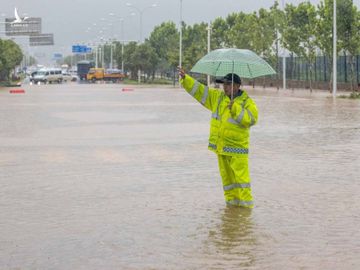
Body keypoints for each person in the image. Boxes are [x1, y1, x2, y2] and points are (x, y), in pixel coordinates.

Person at [178, 68, 258, 208]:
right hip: (222, 148)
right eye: (224, 84)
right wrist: (186, 79)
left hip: (238, 150)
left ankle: (246, 212)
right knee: (227, 183)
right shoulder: (218, 98)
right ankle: (232, 211)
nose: (225, 87)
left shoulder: (246, 102)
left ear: (237, 86)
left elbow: (251, 119)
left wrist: (236, 109)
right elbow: (200, 91)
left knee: (242, 182)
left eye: (228, 84)